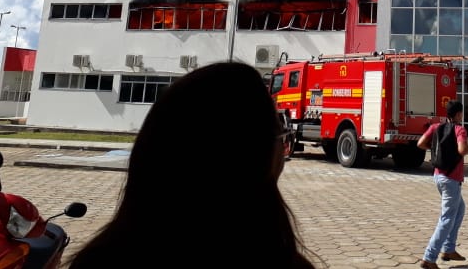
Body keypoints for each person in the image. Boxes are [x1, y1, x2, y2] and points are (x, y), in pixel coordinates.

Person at [66, 61, 316, 269]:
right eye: (278, 130)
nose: (283, 139)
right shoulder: (277, 261)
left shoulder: (99, 259)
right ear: (255, 156)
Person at [416, 99, 468, 269]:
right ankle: (429, 257)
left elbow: (420, 144)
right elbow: (462, 150)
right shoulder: (459, 129)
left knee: (460, 209)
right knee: (446, 218)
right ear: (458, 114)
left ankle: (448, 249)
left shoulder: (435, 127)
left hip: (438, 176)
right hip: (452, 179)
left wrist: (436, 151)